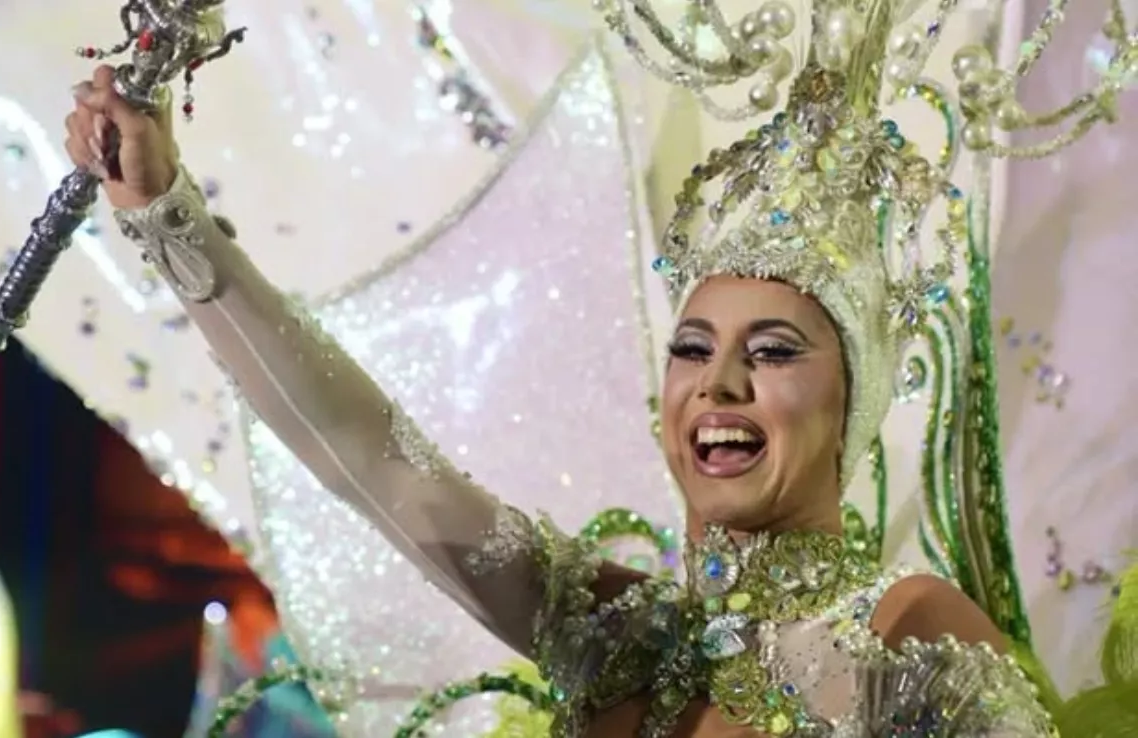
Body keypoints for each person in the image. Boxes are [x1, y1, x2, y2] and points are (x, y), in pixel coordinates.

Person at [57, 5, 1081, 736]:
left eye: (772, 352)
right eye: (693, 349)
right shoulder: (606, 629)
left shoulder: (907, 640)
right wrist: (165, 215)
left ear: (850, 404)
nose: (718, 385)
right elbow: (374, 461)